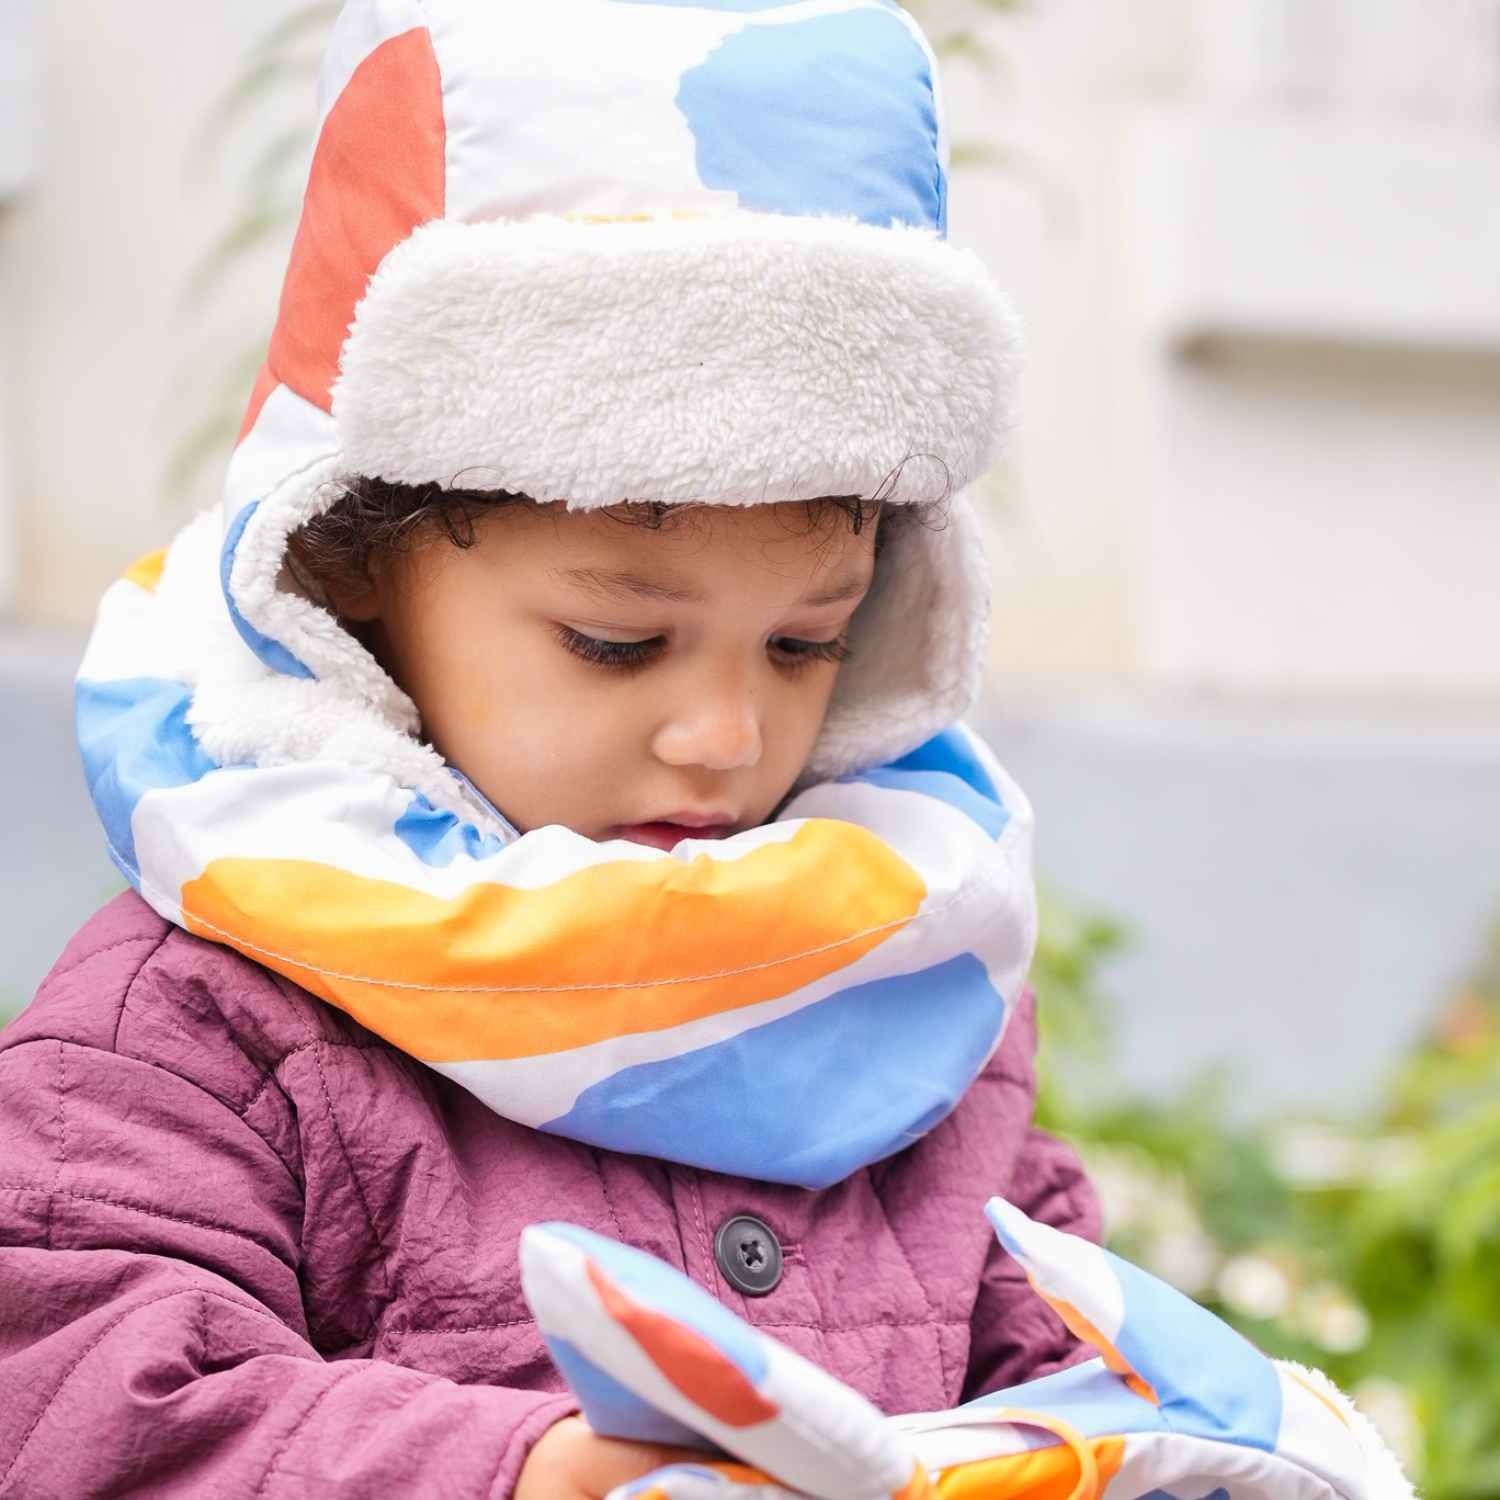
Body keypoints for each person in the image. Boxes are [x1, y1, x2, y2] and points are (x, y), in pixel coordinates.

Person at [0, 4, 1100, 1497]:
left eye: (804, 643)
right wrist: (523, 1477)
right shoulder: (198, 1025)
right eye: (615, 644)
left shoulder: (906, 999)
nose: (725, 735)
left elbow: (1062, 1362)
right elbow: (80, 1401)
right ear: (347, 573)